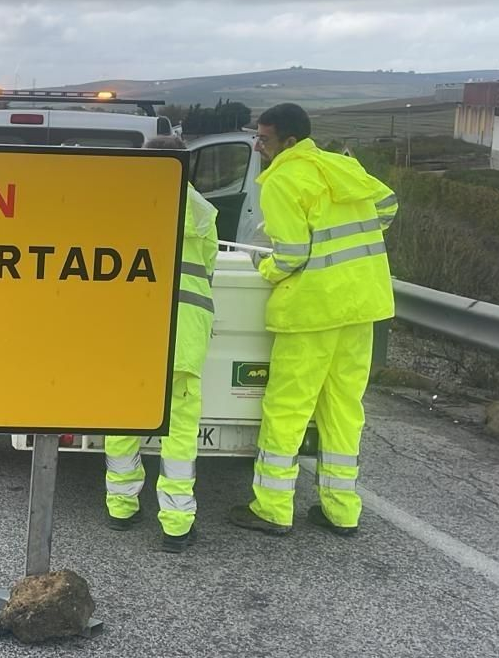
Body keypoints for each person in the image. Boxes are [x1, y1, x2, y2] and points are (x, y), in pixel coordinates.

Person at [228, 103, 398, 537]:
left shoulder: (283, 180)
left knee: (288, 409)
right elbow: (388, 206)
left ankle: (272, 507)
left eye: (264, 139)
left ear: (288, 141)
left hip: (313, 310)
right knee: (343, 408)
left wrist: (264, 269)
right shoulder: (340, 167)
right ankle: (342, 510)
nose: (257, 146)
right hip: (362, 305)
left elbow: (290, 255)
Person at [104, 134, 219, 553]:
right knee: (181, 432)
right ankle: (176, 523)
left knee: (124, 420)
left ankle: (120, 507)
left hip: (133, 332)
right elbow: (207, 272)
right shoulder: (204, 212)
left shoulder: (124, 205)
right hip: (185, 333)